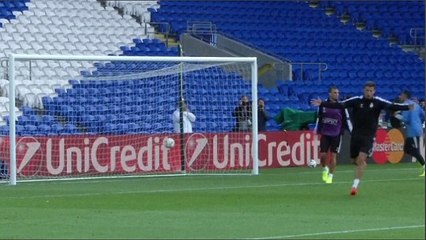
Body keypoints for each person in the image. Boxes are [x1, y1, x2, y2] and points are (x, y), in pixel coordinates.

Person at [311, 81, 413, 196]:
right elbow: (340, 105)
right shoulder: (356, 100)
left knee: (360, 159)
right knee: (354, 160)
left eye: (371, 91)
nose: (368, 93)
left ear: (374, 91)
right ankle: (361, 165)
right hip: (356, 135)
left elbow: (391, 105)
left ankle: (354, 186)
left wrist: (407, 107)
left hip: (369, 136)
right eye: (367, 90)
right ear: (363, 90)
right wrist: (323, 104)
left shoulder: (378, 102)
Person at [314, 86, 352, 184]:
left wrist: (351, 131)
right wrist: (316, 130)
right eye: (334, 92)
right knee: (322, 155)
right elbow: (319, 118)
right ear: (329, 93)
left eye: (337, 93)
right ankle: (325, 168)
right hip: (325, 133)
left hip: (336, 134)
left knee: (333, 156)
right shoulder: (323, 105)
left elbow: (346, 119)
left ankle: (331, 176)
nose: (337, 94)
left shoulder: (341, 106)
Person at [394, 90, 425, 177]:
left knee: (414, 150)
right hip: (417, 130)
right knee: (407, 149)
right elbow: (423, 115)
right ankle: (423, 165)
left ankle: (424, 166)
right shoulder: (416, 104)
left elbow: (406, 119)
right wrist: (419, 122)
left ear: (405, 96)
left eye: (401, 95)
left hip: (413, 131)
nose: (400, 97)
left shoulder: (406, 105)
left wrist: (397, 115)